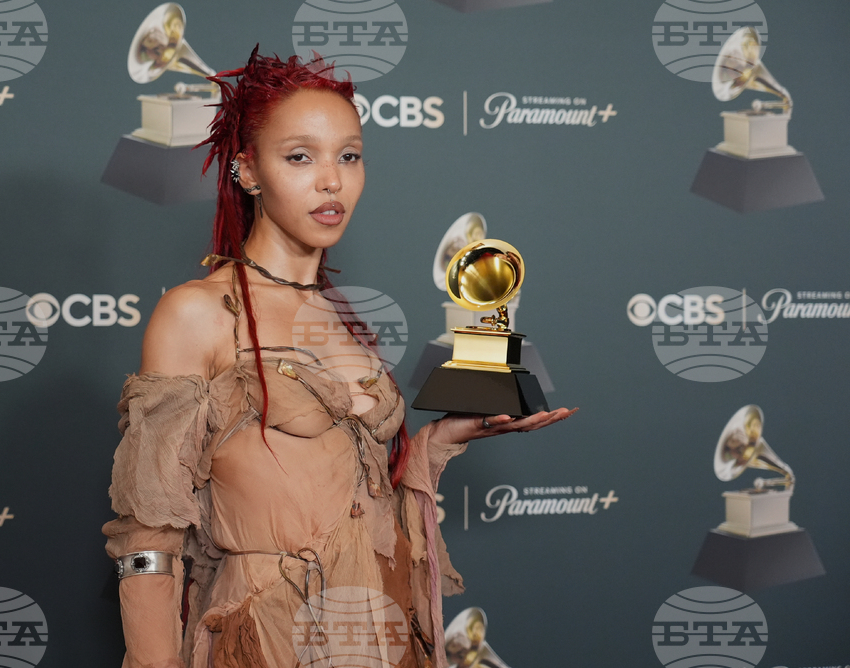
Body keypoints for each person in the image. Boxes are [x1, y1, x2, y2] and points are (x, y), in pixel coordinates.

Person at [102, 47, 576, 668]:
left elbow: (365, 509)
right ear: (247, 171)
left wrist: (440, 442)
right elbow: (150, 537)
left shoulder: (341, 316)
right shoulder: (198, 312)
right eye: (300, 157)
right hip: (267, 636)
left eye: (349, 156)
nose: (332, 181)